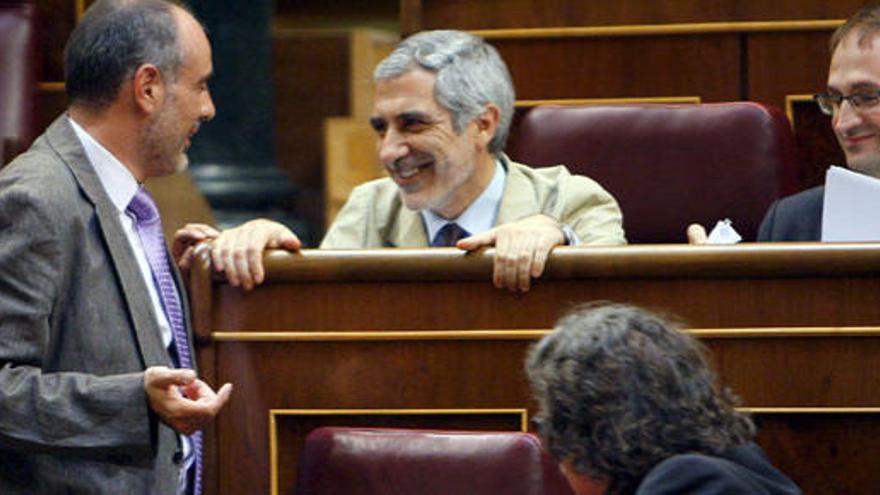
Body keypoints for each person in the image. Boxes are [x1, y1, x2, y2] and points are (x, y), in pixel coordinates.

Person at [178, 30, 625, 292]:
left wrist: (557, 234)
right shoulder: (371, 207)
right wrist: (274, 253)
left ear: (483, 124)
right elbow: (321, 319)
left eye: (412, 124)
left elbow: (620, 313)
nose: (388, 152)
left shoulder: (571, 200)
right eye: (381, 127)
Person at [0, 1, 231, 493]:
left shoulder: (127, 203)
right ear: (148, 88)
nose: (208, 108)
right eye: (200, 84)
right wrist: (135, 401)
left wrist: (182, 282)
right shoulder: (36, 198)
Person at [525, 303, 801, 495]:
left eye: (551, 425)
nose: (553, 450)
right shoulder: (737, 462)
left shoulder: (689, 482)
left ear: (590, 431)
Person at [689, 5, 880, 243]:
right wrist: (717, 280)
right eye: (834, 100)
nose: (842, 123)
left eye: (867, 97)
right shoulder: (791, 223)